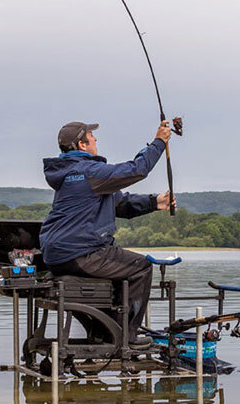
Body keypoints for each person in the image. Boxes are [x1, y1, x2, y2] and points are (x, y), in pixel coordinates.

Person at [40, 120, 175, 346]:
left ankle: (105, 332)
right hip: (82, 252)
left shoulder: (71, 173)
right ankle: (127, 337)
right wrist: (159, 141)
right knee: (141, 267)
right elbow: (137, 169)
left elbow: (119, 203)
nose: (96, 140)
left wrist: (154, 202)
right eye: (92, 137)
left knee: (117, 273)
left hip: (56, 255)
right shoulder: (89, 171)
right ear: (82, 145)